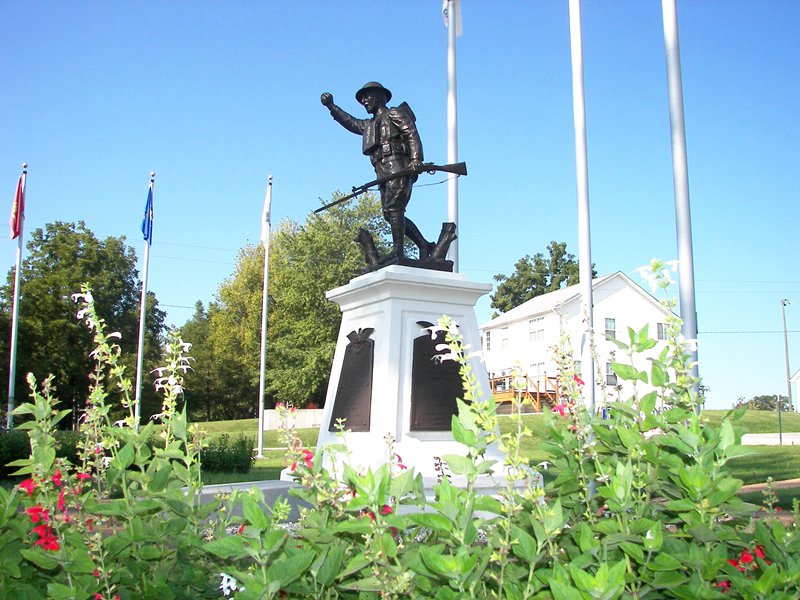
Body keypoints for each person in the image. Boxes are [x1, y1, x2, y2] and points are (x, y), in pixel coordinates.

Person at [321, 82, 433, 259]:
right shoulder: (369, 125)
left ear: (381, 96)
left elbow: (411, 133)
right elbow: (351, 122)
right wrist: (332, 107)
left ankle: (398, 251)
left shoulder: (394, 113)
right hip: (381, 170)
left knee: (395, 208)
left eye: (367, 96)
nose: (364, 101)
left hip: (398, 165)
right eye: (362, 99)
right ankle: (424, 245)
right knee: (389, 213)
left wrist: (416, 159)